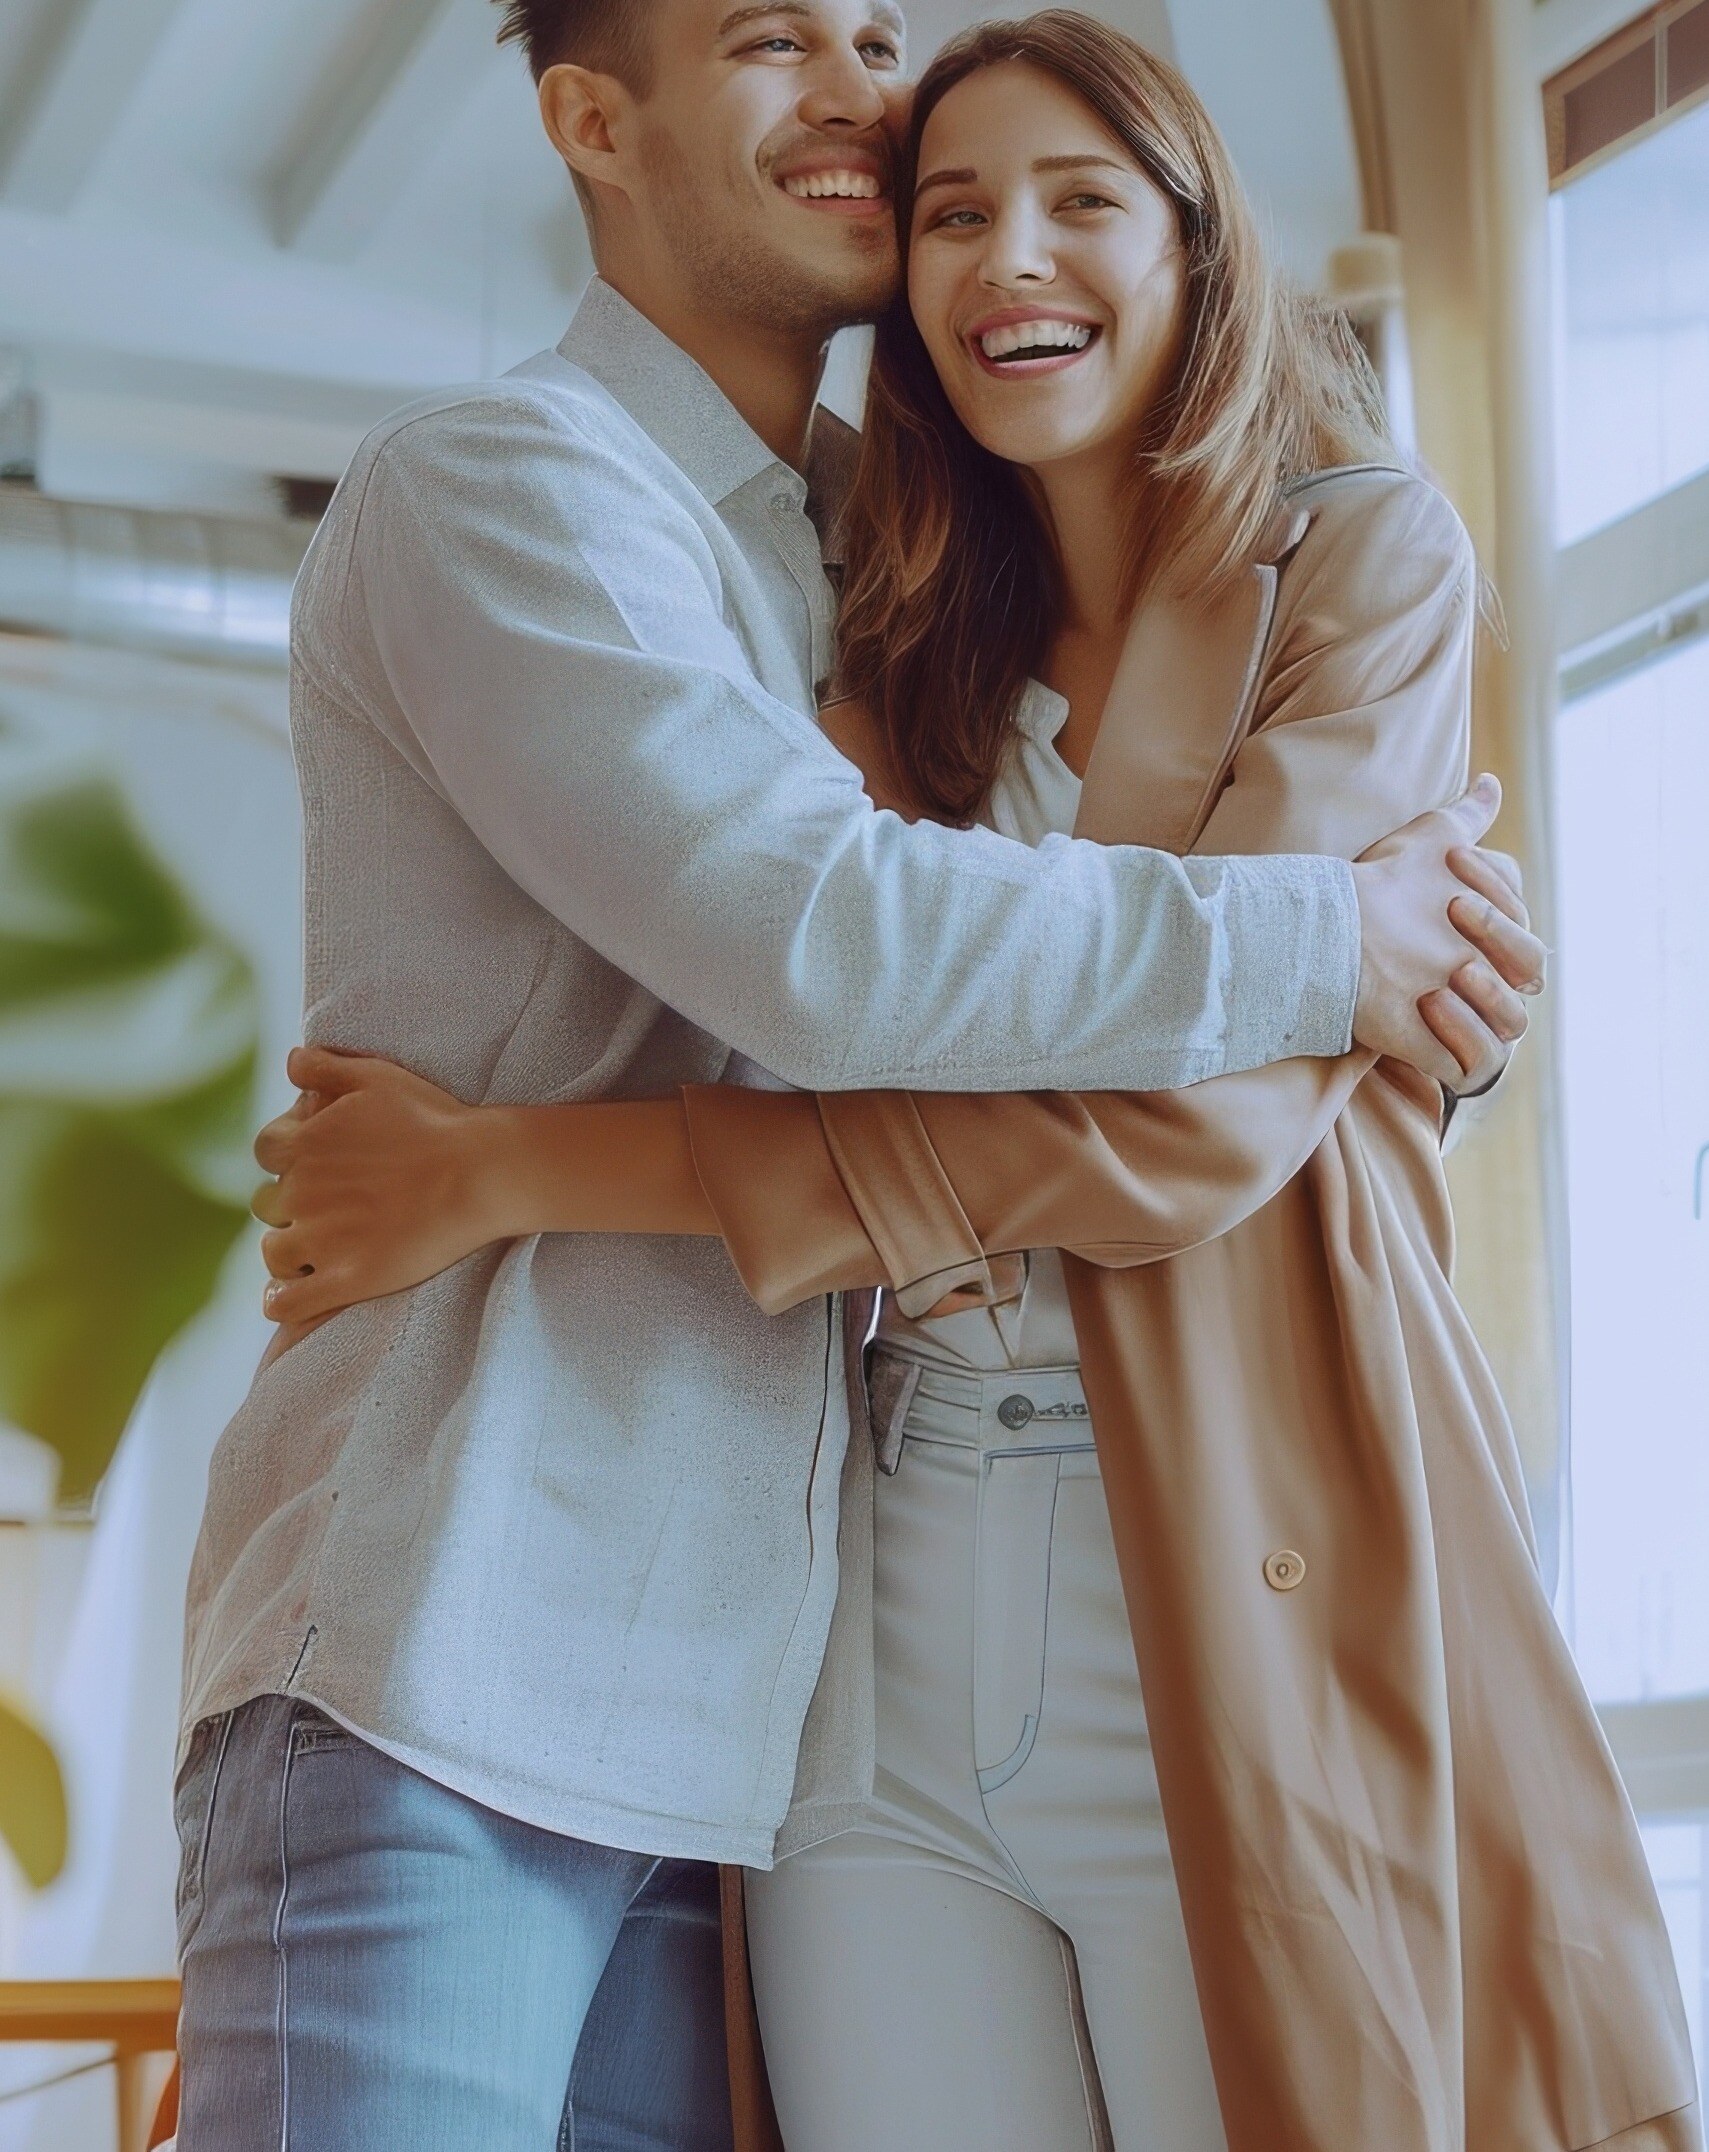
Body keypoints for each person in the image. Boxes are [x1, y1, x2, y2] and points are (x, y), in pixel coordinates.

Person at [251, 15, 1699, 2152]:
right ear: (591, 121)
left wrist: (515, 1167)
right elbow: (848, 959)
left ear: (1202, 247)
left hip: (1170, 1560)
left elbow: (1193, 1130)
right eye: (959, 208)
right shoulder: (816, 593)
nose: (1008, 252)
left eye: (1081, 199)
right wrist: (1335, 965)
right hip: (826, 1614)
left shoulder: (1338, 553)